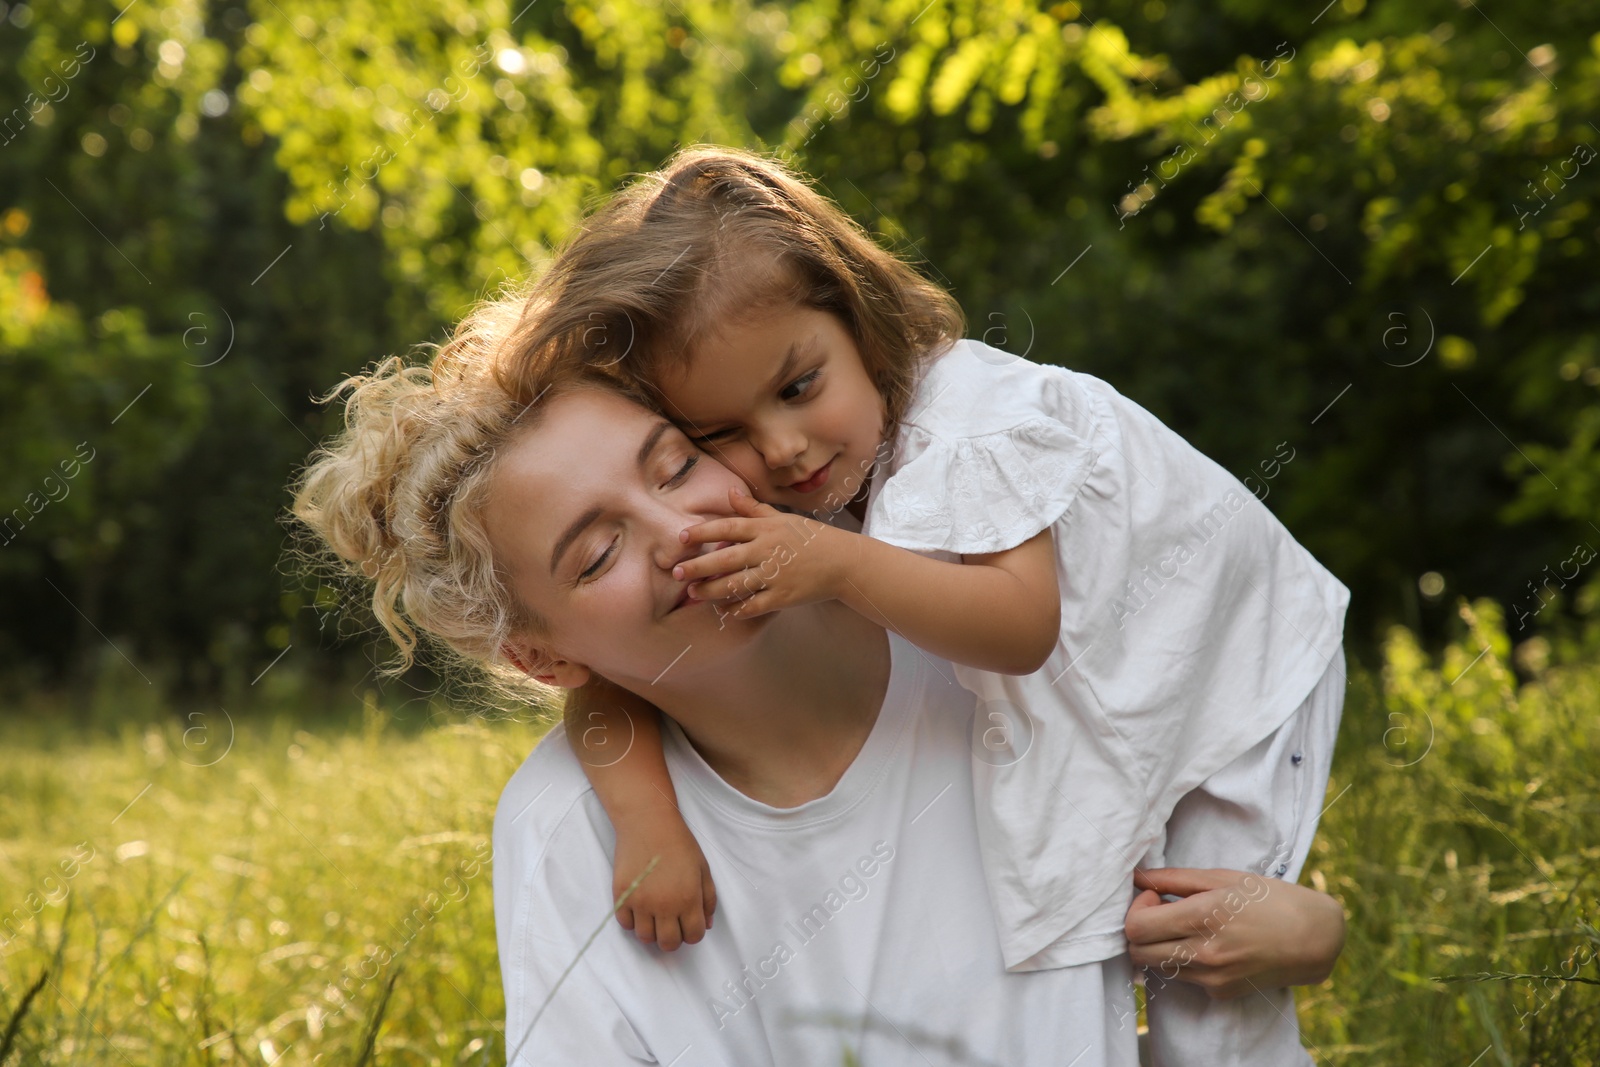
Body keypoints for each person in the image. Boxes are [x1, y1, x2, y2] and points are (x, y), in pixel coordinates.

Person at [497, 147, 1352, 1062]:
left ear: (860, 319)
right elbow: (607, 686)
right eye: (722, 432)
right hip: (1117, 678)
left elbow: (1021, 631)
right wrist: (648, 820)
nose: (783, 450)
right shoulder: (840, 466)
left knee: (1209, 980)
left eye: (796, 388)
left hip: (1235, 677)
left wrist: (837, 563)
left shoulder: (961, 427)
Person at [291, 351, 1346, 1066]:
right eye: (600, 549)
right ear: (543, 654)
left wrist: (1303, 928)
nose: (678, 529)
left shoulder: (982, 636)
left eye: (676, 463)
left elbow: (1150, 930)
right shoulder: (574, 834)